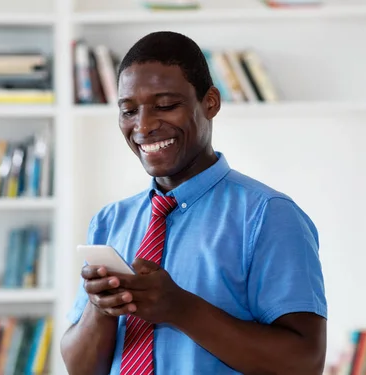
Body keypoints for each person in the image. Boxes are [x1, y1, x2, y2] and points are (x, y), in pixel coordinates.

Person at [60, 31, 328, 375]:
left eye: (166, 106)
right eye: (128, 111)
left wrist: (180, 309)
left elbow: (305, 364)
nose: (143, 126)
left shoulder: (268, 216)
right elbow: (80, 368)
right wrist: (100, 308)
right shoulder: (110, 221)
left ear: (211, 103)